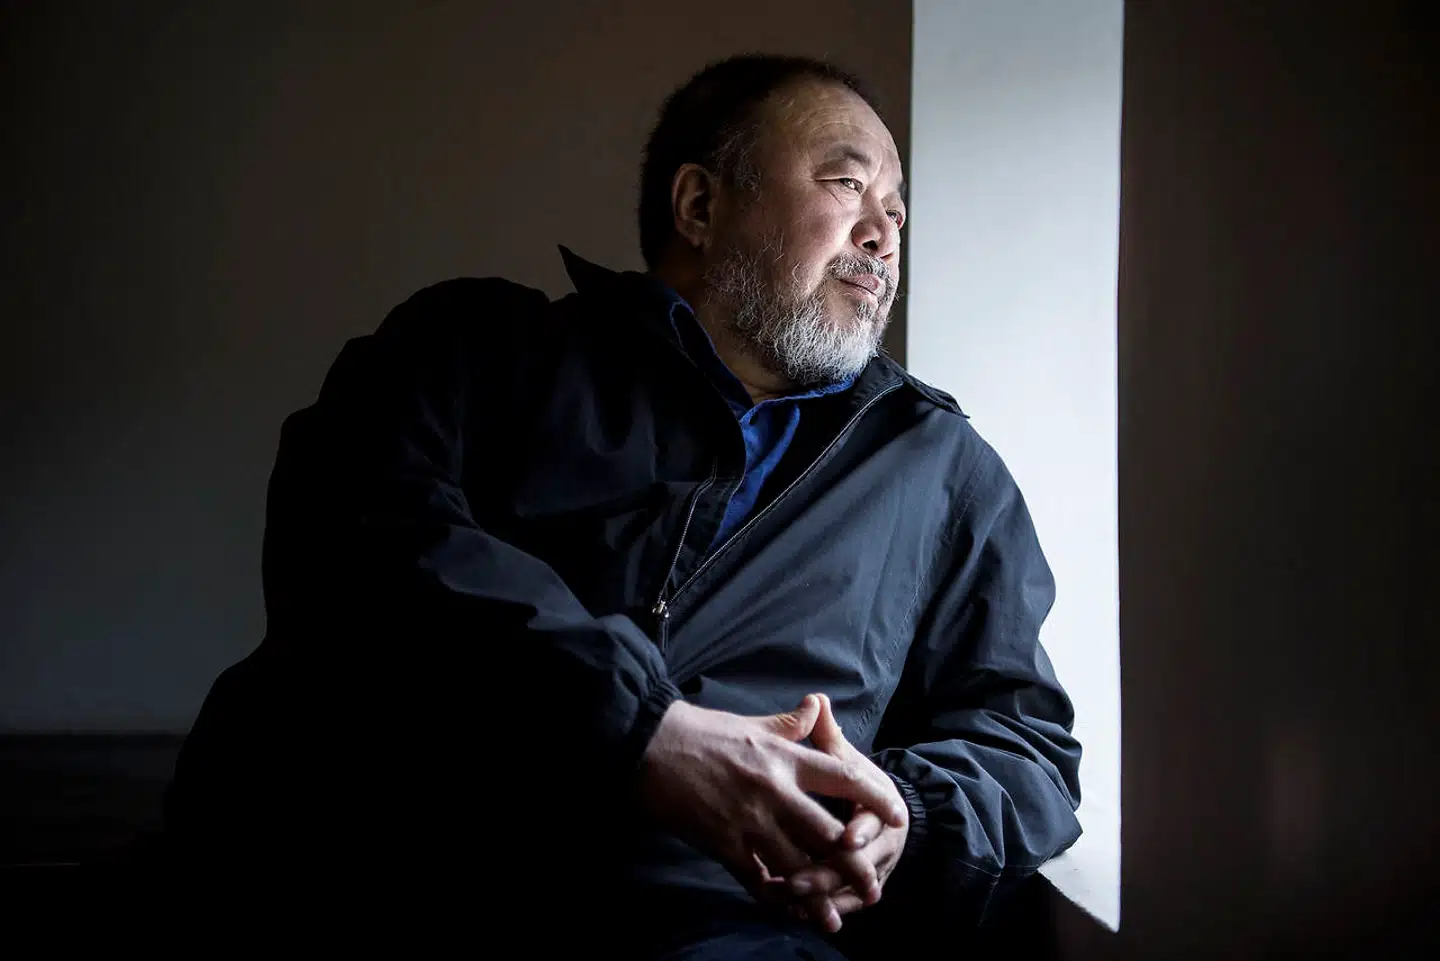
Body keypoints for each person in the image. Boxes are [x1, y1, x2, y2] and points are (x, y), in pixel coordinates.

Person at [158, 54, 1082, 957]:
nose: (884, 233)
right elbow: (363, 537)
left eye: (897, 208)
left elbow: (1026, 745)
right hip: (386, 875)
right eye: (847, 184)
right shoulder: (476, 349)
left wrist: (905, 815)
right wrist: (643, 731)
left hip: (726, 925)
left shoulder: (941, 465)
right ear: (700, 206)